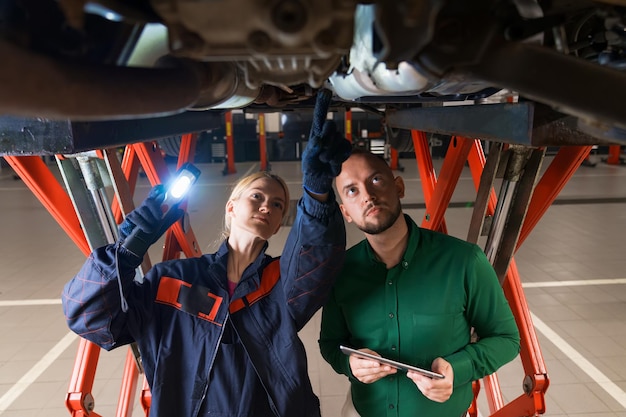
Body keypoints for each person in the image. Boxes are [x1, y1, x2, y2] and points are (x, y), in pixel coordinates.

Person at [62, 89, 352, 417]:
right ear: (231, 207)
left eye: (277, 204)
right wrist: (126, 253)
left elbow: (316, 257)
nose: (266, 206)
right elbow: (91, 319)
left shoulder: (282, 281)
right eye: (256, 196)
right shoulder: (172, 280)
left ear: (277, 226)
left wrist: (316, 193)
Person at [318, 149, 521, 417]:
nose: (367, 195)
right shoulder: (340, 271)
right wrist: (350, 364)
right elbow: (330, 343)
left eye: (376, 180)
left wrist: (458, 368)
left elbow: (506, 338)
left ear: (399, 187)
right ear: (345, 212)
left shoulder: (464, 261)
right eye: (352, 190)